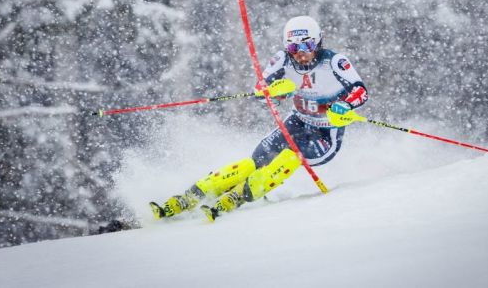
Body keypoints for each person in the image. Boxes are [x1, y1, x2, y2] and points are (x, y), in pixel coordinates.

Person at [149, 15, 368, 222]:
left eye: (307, 46)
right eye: (294, 47)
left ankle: (239, 196)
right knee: (257, 159)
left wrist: (346, 104)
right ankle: (194, 194)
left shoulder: (334, 62)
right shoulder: (283, 60)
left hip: (325, 134)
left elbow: (361, 90)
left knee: (290, 157)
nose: (300, 53)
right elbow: (261, 89)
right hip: (297, 122)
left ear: (318, 43)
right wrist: (272, 91)